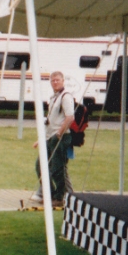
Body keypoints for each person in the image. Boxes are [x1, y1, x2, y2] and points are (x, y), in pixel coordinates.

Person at [31, 71, 74, 207]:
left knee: (57, 168)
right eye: (53, 80)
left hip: (60, 137)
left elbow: (70, 117)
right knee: (40, 165)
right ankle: (49, 193)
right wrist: (41, 139)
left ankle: (60, 197)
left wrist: (59, 133)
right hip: (49, 137)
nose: (55, 82)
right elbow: (50, 120)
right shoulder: (53, 98)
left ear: (63, 81)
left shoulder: (66, 97)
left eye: (57, 80)